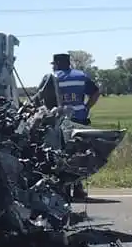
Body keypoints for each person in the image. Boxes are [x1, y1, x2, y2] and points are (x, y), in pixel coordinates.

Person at [34, 53, 101, 200]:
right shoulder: (81, 76)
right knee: (79, 154)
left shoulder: (50, 77)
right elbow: (96, 92)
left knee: (60, 155)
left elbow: (39, 98)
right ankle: (78, 188)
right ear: (69, 63)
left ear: (56, 64)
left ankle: (62, 189)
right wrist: (86, 107)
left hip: (60, 122)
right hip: (79, 120)